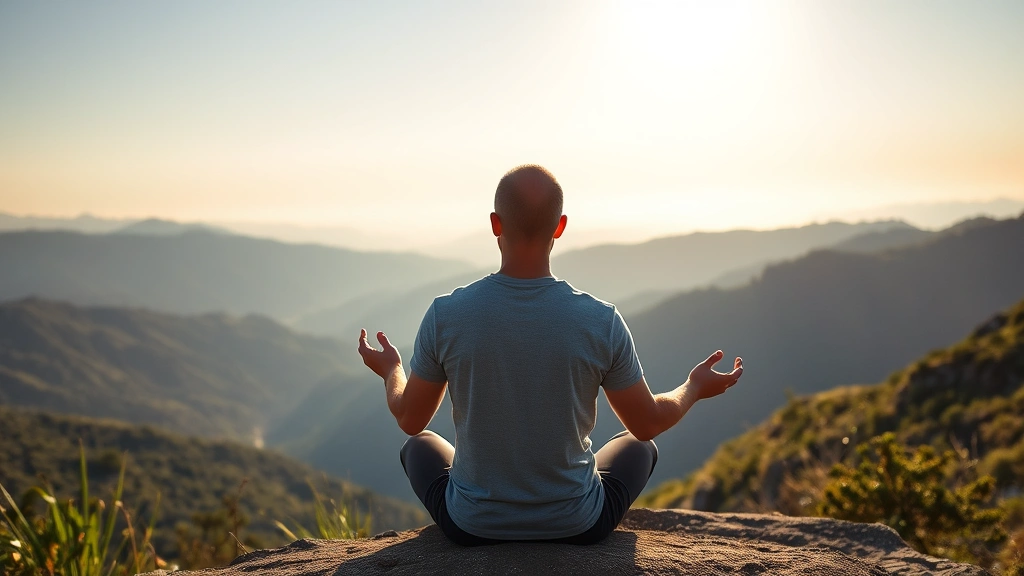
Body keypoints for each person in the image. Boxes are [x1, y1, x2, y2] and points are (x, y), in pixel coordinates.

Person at [357, 164, 743, 546]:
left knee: (418, 445)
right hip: (578, 525)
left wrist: (392, 369)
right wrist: (693, 386)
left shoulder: (447, 314)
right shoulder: (601, 321)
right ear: (560, 227)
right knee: (641, 447)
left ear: (495, 224)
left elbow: (410, 418)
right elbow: (646, 424)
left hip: (471, 527)